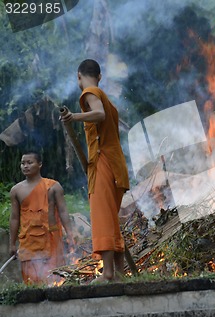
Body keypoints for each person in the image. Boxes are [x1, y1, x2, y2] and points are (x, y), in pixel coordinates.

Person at [60, 59, 130, 282]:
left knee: (102, 218)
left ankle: (108, 273)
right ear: (100, 76)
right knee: (111, 217)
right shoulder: (104, 96)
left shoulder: (90, 93)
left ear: (78, 76)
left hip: (103, 163)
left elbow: (98, 114)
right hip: (116, 165)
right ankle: (118, 273)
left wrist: (74, 117)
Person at [9, 152, 75, 285]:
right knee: (31, 282)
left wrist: (71, 233)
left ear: (39, 165)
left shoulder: (53, 186)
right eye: (23, 163)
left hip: (50, 238)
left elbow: (63, 211)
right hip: (28, 240)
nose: (25, 166)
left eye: (29, 162)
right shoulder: (16, 190)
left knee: (53, 279)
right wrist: (11, 243)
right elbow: (15, 218)